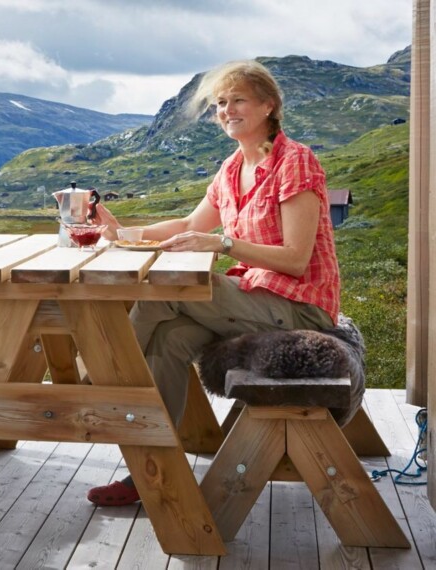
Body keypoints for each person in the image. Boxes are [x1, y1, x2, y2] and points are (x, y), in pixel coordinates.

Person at [86, 59, 340, 506]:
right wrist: (122, 232)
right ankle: (151, 474)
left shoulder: (295, 161)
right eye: (221, 103)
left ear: (268, 106)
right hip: (251, 300)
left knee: (161, 295)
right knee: (169, 336)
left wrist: (223, 244)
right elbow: (189, 222)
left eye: (238, 99)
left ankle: (97, 381)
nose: (226, 110)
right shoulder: (230, 168)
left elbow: (297, 260)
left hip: (299, 307)